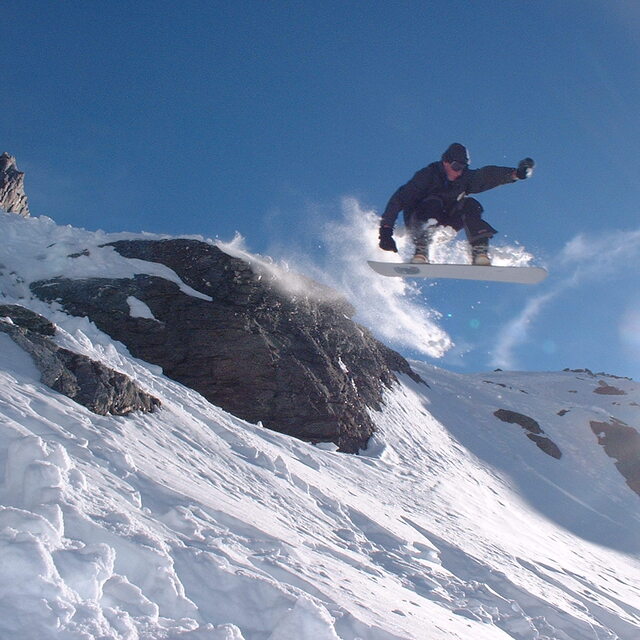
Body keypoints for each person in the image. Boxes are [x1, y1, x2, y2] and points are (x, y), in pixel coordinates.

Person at [378, 143, 534, 265]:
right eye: (456, 167)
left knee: (471, 204)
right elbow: (399, 199)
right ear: (445, 162)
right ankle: (421, 250)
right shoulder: (427, 175)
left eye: (463, 168)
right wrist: (386, 231)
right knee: (434, 201)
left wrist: (515, 174)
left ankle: (479, 251)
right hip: (420, 221)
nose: (459, 172)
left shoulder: (464, 178)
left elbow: (486, 176)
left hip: (445, 225)